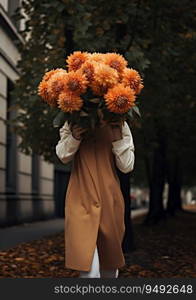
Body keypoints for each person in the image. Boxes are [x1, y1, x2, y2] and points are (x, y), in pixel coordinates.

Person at [55, 115, 135, 278]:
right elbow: (62, 156)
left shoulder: (119, 123)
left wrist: (118, 139)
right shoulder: (72, 121)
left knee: (109, 269)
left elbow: (127, 166)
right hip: (80, 199)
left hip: (110, 199)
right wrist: (74, 137)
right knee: (88, 271)